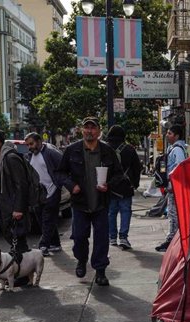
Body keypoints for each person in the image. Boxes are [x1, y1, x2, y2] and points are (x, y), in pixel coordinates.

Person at [55, 117, 124, 286]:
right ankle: (81, 259)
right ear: (81, 130)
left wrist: (108, 185)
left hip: (101, 203)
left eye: (93, 128)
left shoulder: (107, 151)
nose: (89, 131)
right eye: (86, 128)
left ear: (99, 131)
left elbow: (119, 174)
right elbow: (60, 173)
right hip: (80, 203)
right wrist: (72, 186)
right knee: (79, 237)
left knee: (101, 239)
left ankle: (100, 271)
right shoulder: (73, 150)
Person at [0, 129, 31, 259]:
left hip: (14, 210)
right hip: (4, 209)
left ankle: (23, 277)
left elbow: (21, 185)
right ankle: (20, 276)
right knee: (13, 244)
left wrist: (18, 209)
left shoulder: (10, 157)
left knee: (19, 245)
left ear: (0, 140)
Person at [25, 132, 63, 256]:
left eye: (31, 143)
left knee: (47, 220)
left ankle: (43, 246)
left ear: (39, 141)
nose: (30, 147)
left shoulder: (51, 153)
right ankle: (55, 244)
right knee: (43, 220)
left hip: (52, 192)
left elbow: (63, 168)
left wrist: (60, 185)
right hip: (37, 195)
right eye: (28, 145)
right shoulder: (30, 155)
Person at [104, 125, 142, 250]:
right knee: (125, 211)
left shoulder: (105, 148)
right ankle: (123, 237)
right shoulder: (129, 149)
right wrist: (135, 183)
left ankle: (112, 237)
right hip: (126, 186)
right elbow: (137, 167)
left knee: (111, 212)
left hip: (109, 187)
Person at [155, 124, 187, 252]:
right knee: (172, 212)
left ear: (177, 135)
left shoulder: (178, 150)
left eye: (170, 133)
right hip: (172, 186)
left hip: (174, 187)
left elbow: (180, 167)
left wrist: (173, 183)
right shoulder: (173, 149)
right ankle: (173, 239)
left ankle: (172, 240)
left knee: (173, 213)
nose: (167, 135)